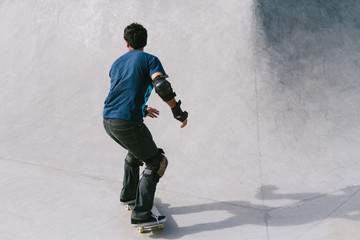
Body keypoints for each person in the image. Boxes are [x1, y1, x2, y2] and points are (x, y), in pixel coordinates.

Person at [103, 23, 188, 225]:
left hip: (108, 121)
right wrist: (177, 111)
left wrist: (143, 109)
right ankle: (141, 214)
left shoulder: (116, 63)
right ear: (145, 41)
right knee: (156, 162)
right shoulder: (150, 59)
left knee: (135, 151)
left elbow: (121, 94)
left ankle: (128, 195)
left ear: (127, 43)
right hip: (127, 123)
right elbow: (161, 85)